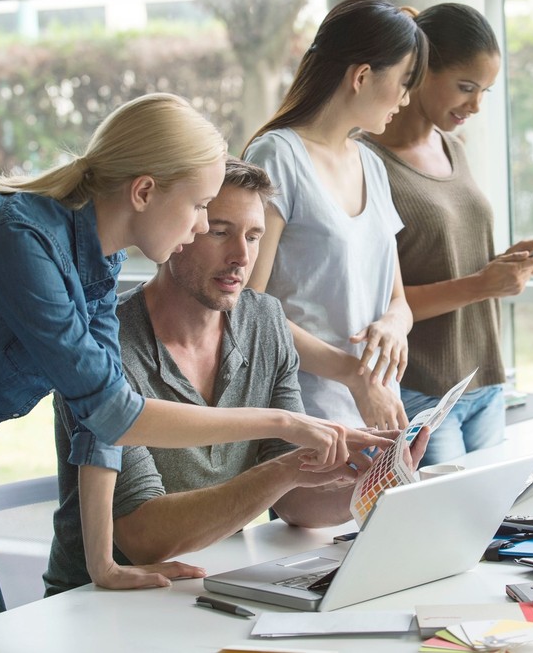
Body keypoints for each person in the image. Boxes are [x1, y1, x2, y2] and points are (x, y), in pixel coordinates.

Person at [0, 92, 385, 642]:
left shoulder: (99, 255)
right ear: (144, 191)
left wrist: (104, 565)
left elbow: (100, 414)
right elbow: (117, 413)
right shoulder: (20, 239)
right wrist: (283, 423)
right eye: (199, 209)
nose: (196, 228)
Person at [44, 158, 429, 595]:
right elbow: (144, 538)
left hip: (209, 585)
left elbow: (296, 501)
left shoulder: (266, 321)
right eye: (220, 232)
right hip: (98, 603)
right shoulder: (102, 344)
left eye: (253, 236)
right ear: (180, 228)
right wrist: (284, 470)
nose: (241, 257)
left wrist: (373, 482)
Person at [360, 3, 533, 466]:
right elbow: (378, 304)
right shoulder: (364, 162)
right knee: (449, 531)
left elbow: (443, 256)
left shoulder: (452, 146)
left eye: (485, 92)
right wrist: (483, 285)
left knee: (494, 531)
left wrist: (512, 263)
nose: (475, 105)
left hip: (484, 382)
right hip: (422, 389)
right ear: (419, 71)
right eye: (466, 87)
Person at [243, 0, 429, 433]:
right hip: (307, 420)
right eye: (404, 82)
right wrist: (354, 374)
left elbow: (398, 299)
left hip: (379, 411)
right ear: (362, 76)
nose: (406, 99)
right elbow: (250, 307)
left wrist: (393, 325)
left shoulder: (373, 165)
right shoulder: (277, 155)